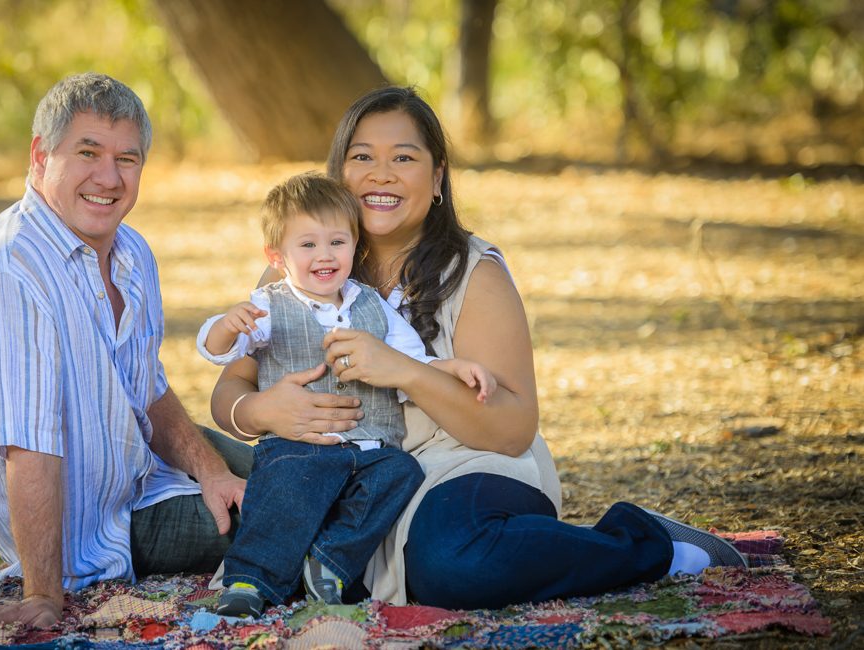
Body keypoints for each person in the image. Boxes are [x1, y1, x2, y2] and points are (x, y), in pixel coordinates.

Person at [210, 86, 747, 610]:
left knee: (452, 563)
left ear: (438, 176)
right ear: (338, 173)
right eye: (362, 157)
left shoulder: (476, 274)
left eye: (405, 157)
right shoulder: (298, 271)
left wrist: (405, 371)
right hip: (335, 471)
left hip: (461, 466)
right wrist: (261, 409)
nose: (381, 174)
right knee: (233, 519)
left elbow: (512, 429)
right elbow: (228, 392)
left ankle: (645, 542)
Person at [0, 72, 252, 627]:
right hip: (99, 528)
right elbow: (28, 444)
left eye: (127, 159)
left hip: (140, 465)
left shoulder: (132, 252)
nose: (109, 178)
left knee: (304, 470)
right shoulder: (10, 271)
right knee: (285, 519)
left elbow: (147, 391)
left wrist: (210, 471)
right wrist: (43, 593)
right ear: (41, 156)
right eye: (87, 152)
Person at [197, 173, 495, 617]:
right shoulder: (270, 306)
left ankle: (328, 563)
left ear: (354, 247)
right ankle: (249, 580)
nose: (325, 255)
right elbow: (217, 352)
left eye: (337, 242)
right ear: (276, 256)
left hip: (370, 446)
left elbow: (412, 359)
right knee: (282, 493)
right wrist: (226, 327)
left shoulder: (372, 305)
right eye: (308, 245)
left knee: (402, 473)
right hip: (300, 445)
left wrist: (452, 368)